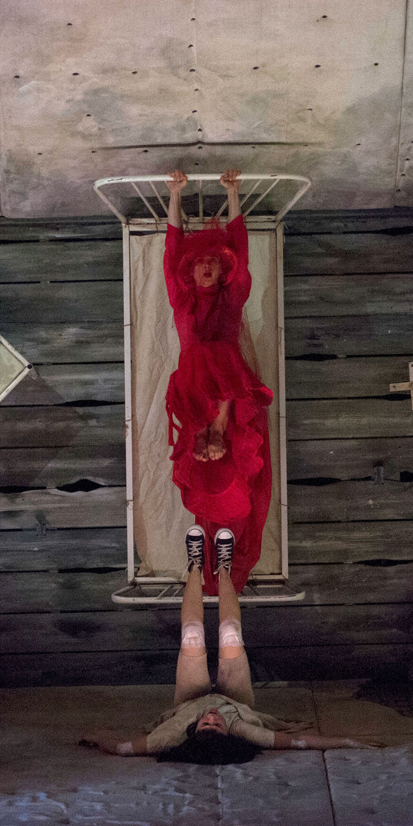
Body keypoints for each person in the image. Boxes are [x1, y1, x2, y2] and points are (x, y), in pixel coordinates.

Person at [80, 527, 384, 763]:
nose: (212, 716)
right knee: (229, 634)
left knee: (192, 636)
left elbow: (121, 748)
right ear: (228, 732)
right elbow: (300, 742)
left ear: (193, 730)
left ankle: (195, 565)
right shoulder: (243, 729)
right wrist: (347, 741)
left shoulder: (172, 733)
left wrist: (92, 735)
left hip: (189, 700)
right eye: (217, 724)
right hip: (236, 700)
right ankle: (224, 567)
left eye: (206, 724)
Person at [160, 169, 274, 595]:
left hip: (227, 393)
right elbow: (172, 252)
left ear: (220, 271)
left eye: (212, 262)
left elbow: (239, 252)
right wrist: (175, 196)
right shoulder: (181, 299)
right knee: (208, 473)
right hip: (195, 395)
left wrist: (234, 194)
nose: (206, 266)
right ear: (190, 273)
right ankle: (211, 560)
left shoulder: (231, 298)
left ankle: (224, 560)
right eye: (199, 263)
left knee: (232, 473)